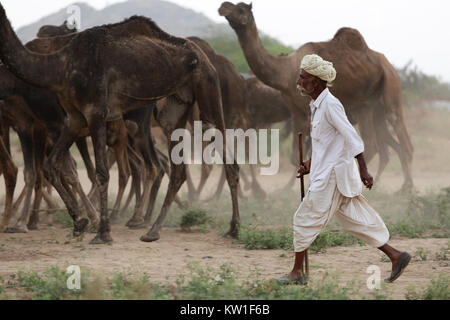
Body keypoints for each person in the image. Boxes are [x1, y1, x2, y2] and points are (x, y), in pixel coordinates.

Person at [276, 54, 411, 285]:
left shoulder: (330, 105)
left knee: (303, 219)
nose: (299, 82)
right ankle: (396, 256)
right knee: (356, 221)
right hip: (331, 174)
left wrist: (364, 170)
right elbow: (327, 144)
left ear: (316, 82)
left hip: (332, 178)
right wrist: (310, 164)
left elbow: (352, 138)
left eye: (303, 78)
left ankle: (297, 273)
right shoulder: (316, 105)